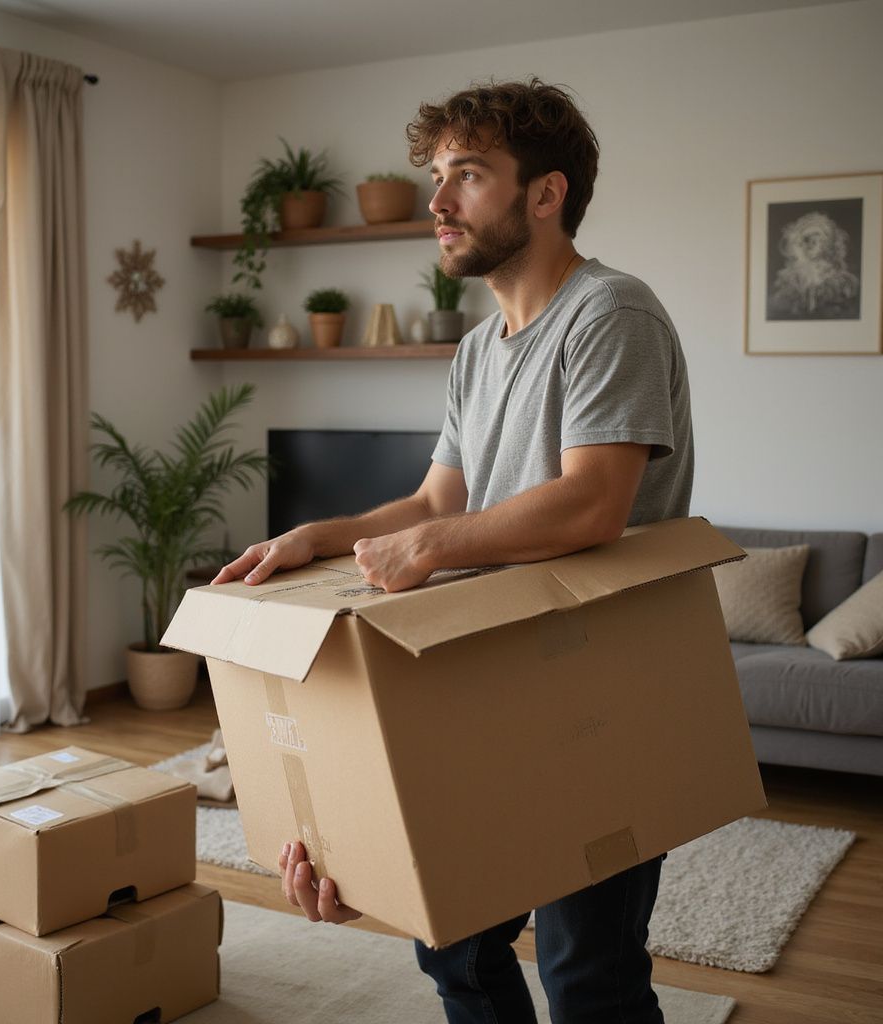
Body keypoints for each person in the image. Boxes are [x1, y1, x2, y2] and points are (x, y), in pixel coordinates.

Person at [213, 78, 693, 1024]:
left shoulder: (611, 314)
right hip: (491, 685)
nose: (438, 203)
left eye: (466, 175)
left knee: (588, 975)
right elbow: (439, 498)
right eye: (437, 176)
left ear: (544, 194)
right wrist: (322, 535)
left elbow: (594, 501)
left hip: (599, 699)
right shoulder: (477, 350)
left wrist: (430, 547)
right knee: (455, 946)